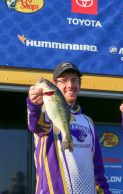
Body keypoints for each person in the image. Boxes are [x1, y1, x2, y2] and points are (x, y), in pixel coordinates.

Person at [27, 62, 111, 194]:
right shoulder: (45, 113)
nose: (70, 85)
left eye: (74, 80)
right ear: (55, 84)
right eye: (64, 80)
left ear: (80, 84)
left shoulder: (88, 121)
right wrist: (33, 105)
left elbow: (98, 167)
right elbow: (36, 125)